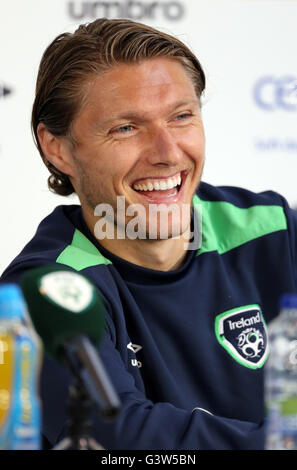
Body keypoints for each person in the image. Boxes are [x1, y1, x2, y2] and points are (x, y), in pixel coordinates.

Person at [1, 17, 297, 450]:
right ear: (57, 148)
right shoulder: (48, 291)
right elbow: (116, 435)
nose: (167, 152)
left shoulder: (270, 228)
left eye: (181, 117)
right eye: (126, 128)